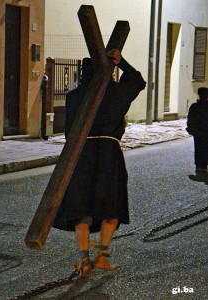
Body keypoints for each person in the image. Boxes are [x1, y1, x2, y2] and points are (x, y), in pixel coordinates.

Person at [52, 49, 146, 277]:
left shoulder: (74, 96)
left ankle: (84, 260)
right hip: (108, 153)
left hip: (81, 153)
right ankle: (102, 256)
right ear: (107, 71)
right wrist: (121, 61)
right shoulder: (116, 92)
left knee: (81, 208)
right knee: (111, 206)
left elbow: (68, 130)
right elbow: (138, 81)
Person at [186, 87, 208, 174]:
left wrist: (190, 127)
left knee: (198, 147)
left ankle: (199, 165)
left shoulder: (194, 106)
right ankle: (204, 164)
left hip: (198, 131)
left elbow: (190, 118)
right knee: (206, 147)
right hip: (206, 131)